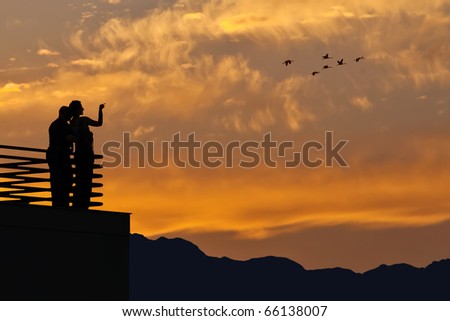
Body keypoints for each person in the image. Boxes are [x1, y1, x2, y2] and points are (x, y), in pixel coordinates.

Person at [69, 100, 105, 209]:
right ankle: (81, 203)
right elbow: (99, 123)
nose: (83, 109)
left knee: (85, 180)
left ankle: (83, 203)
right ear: (77, 110)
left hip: (85, 154)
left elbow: (99, 123)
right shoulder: (76, 123)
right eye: (81, 107)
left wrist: (100, 111)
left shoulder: (76, 122)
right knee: (83, 180)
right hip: (82, 154)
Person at [46, 106, 76, 207]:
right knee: (64, 178)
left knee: (57, 180)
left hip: (55, 153)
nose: (70, 117)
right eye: (69, 115)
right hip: (59, 154)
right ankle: (62, 203)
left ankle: (58, 202)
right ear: (63, 114)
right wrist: (79, 137)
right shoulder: (62, 125)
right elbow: (68, 138)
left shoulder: (55, 124)